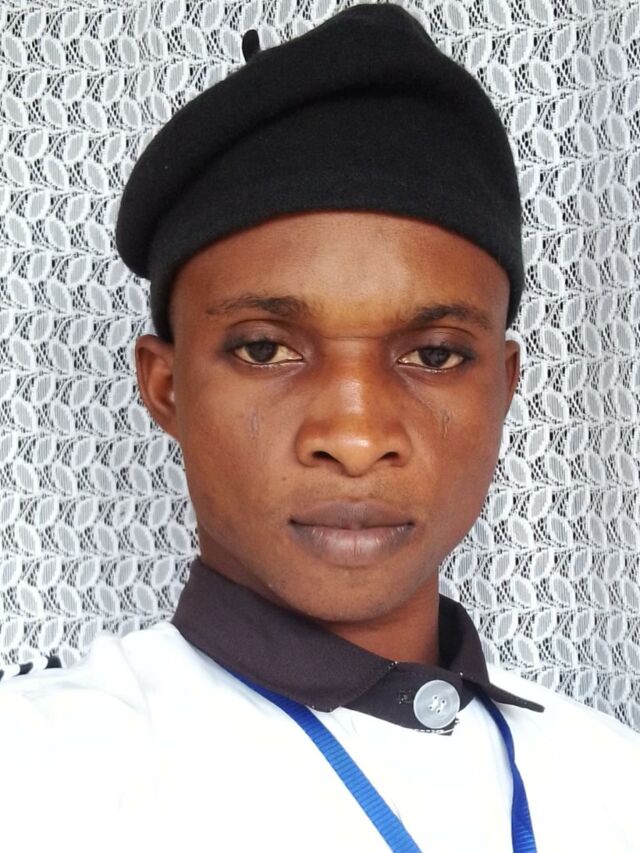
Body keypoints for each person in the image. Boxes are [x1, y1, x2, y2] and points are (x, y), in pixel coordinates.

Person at [1, 5, 638, 852]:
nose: (356, 435)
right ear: (166, 386)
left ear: (504, 386)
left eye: (435, 354)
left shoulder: (612, 780)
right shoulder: (39, 778)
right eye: (265, 348)